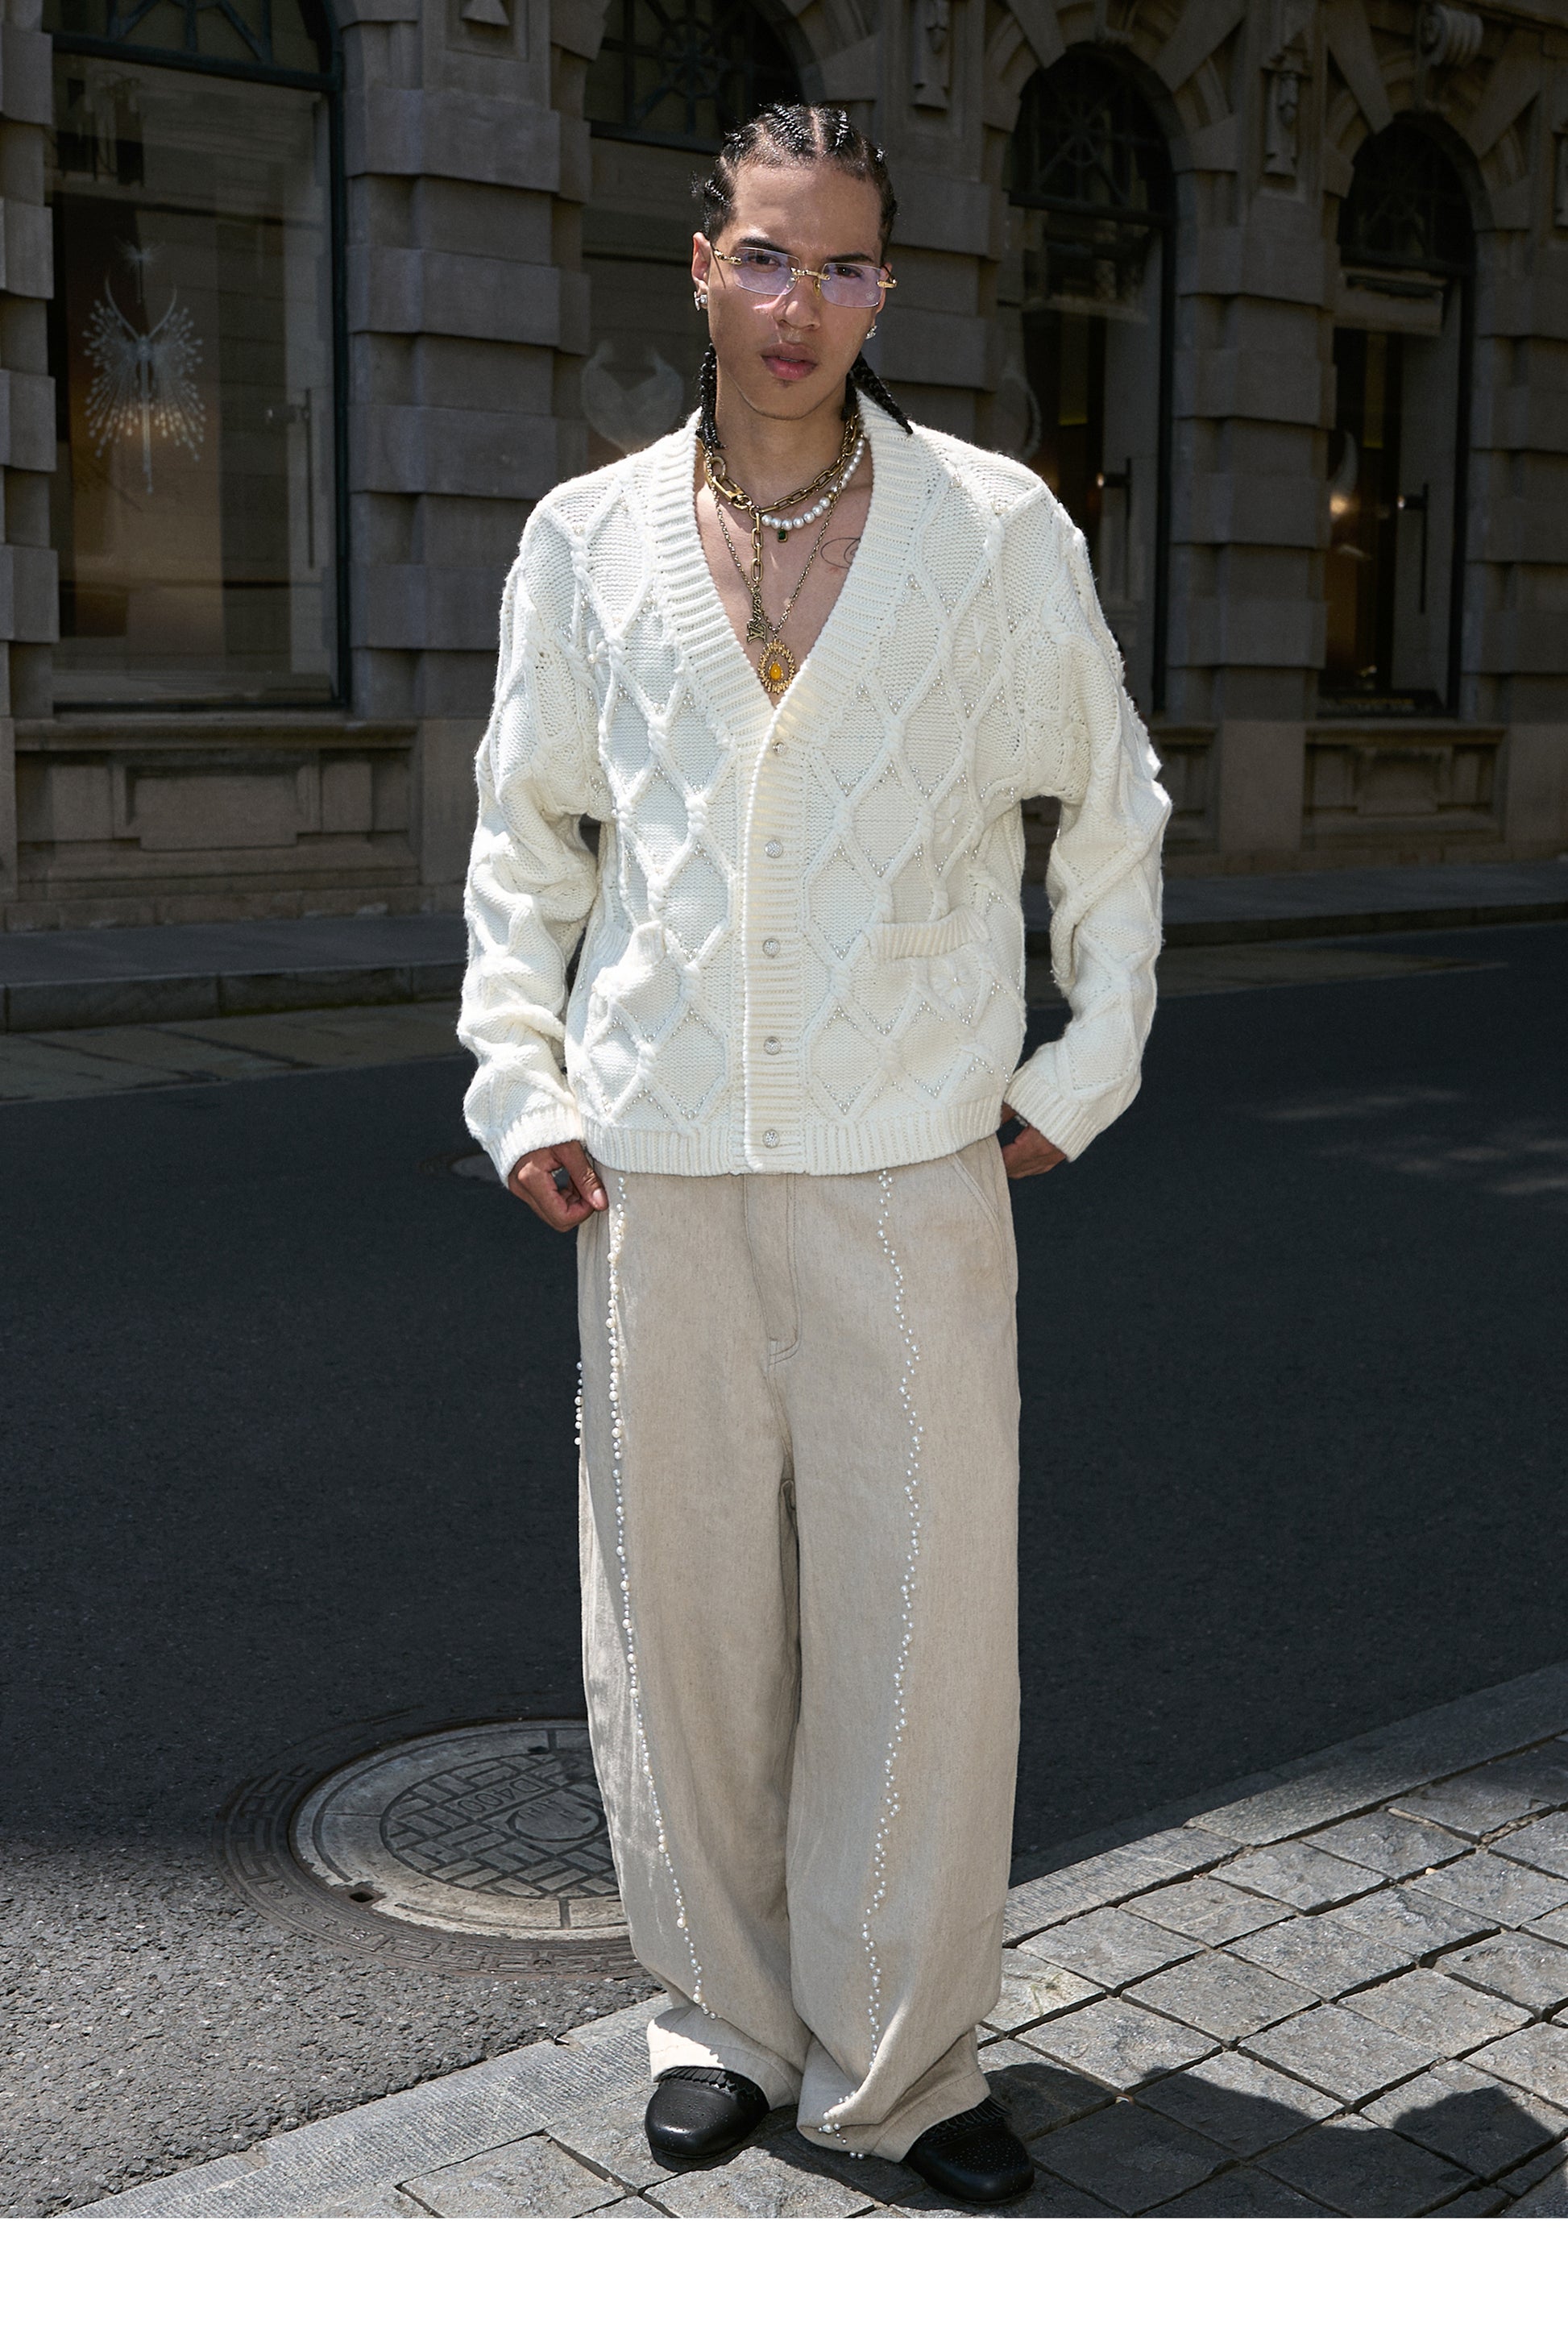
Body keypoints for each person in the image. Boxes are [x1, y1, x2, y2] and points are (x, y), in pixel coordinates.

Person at [459, 103, 1169, 2208]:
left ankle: (906, 2065)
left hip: (907, 1171)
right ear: (703, 265)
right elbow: (525, 844)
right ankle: (720, 2020)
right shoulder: (584, 540)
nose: (800, 304)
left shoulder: (995, 532)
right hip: (658, 1169)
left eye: (844, 265)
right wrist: (522, 1082)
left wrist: (1083, 1065)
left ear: (885, 290)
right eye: (766, 256)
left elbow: (1110, 815)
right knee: (679, 1632)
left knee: (918, 1630)